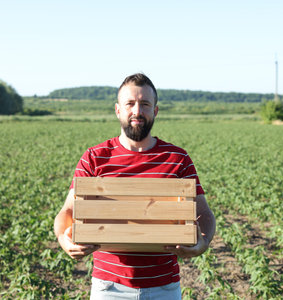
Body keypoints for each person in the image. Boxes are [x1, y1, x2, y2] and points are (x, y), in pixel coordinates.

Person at [54, 73, 216, 299]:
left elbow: (204, 213)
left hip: (164, 288)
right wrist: (64, 240)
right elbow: (68, 211)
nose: (137, 111)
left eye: (145, 104)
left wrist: (203, 243)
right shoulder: (94, 158)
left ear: (155, 111)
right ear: (118, 110)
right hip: (108, 287)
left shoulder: (177, 158)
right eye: (130, 103)